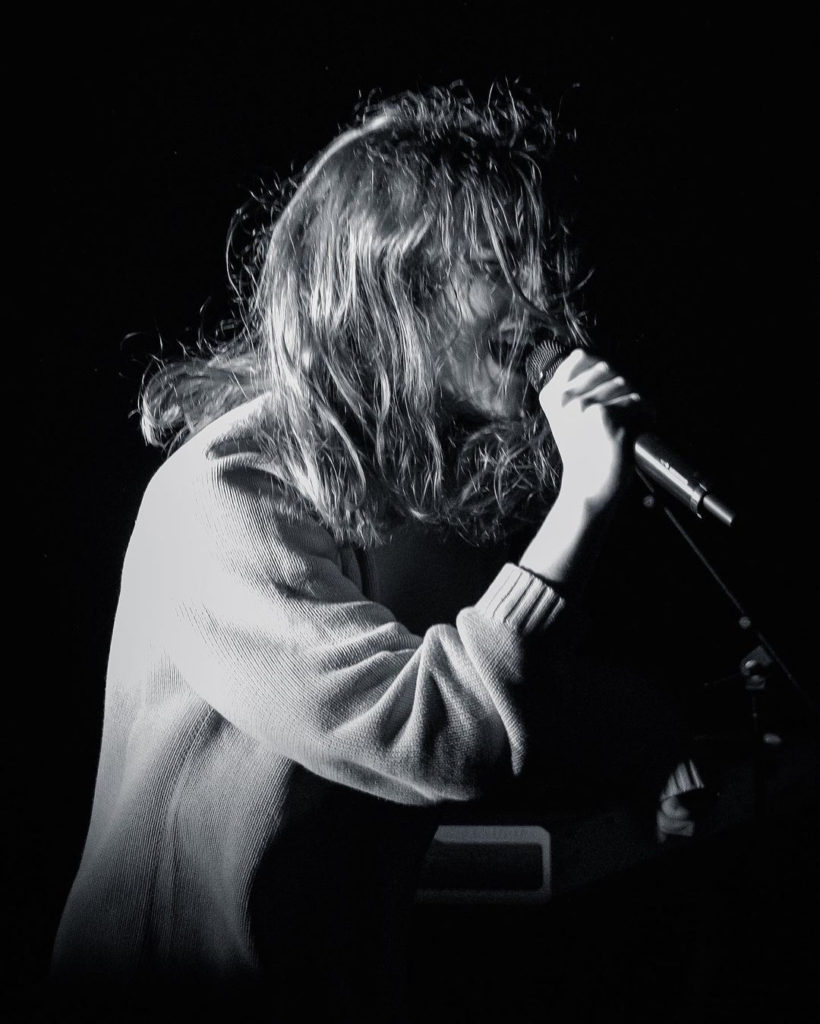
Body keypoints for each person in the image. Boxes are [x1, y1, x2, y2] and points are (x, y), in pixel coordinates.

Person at [50, 84, 699, 1021]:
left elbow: (523, 695)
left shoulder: (412, 510)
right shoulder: (220, 499)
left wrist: (650, 746)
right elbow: (437, 735)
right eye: (497, 263)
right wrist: (586, 499)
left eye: (543, 264)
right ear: (392, 284)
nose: (546, 304)